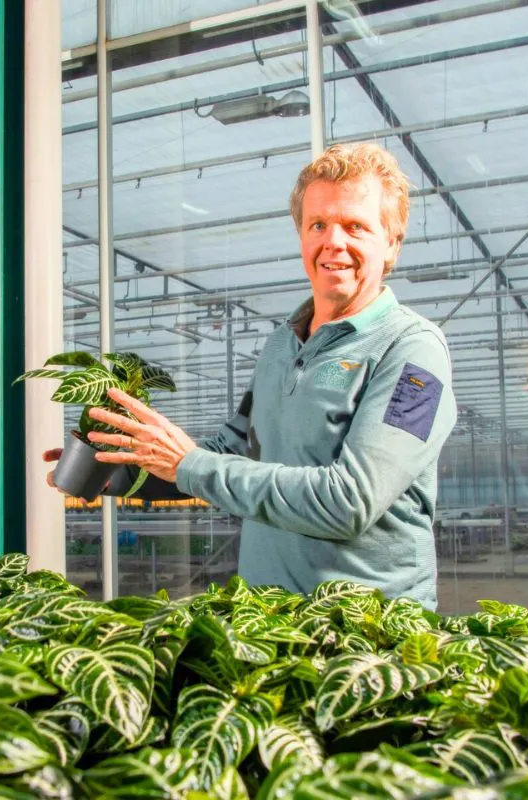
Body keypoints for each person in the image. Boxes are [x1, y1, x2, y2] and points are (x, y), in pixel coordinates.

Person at [44, 142, 457, 609]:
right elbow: (230, 451)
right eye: (318, 224)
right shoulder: (283, 344)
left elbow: (350, 502)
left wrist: (188, 463)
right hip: (266, 623)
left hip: (363, 636)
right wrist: (122, 468)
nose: (333, 242)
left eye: (355, 226)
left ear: (392, 243)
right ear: (302, 235)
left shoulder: (414, 353)